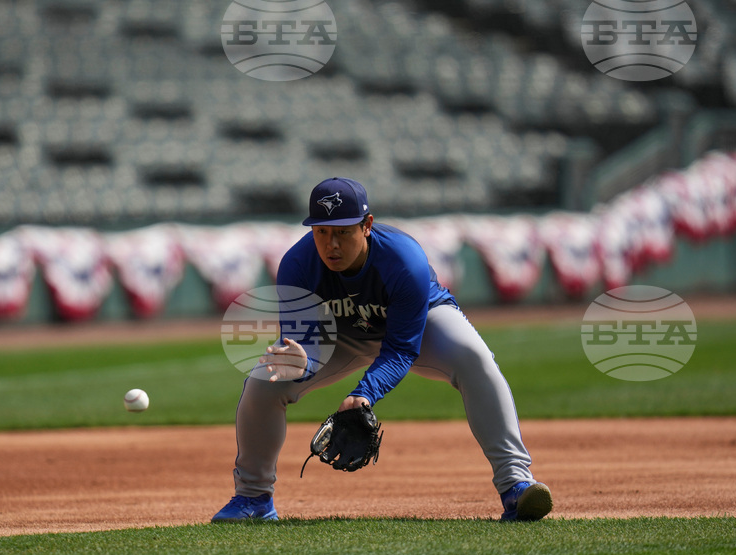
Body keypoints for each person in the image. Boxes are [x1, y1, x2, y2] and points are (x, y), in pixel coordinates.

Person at [211, 177, 552, 522]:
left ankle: (515, 484)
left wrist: (364, 394)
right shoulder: (297, 265)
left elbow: (401, 348)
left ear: (367, 225)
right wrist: (303, 361)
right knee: (265, 380)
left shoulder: (403, 259)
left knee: (473, 357)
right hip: (339, 336)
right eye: (321, 231)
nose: (331, 244)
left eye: (343, 232)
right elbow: (306, 343)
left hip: (420, 324)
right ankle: (253, 499)